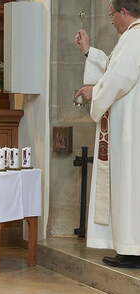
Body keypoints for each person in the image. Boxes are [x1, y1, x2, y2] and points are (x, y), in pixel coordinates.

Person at [74, 0, 140, 268]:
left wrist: (94, 93)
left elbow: (119, 79)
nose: (110, 20)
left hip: (130, 130)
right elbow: (114, 68)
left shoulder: (134, 38)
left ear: (124, 12)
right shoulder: (131, 38)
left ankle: (132, 249)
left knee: (129, 184)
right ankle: (130, 246)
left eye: (112, 14)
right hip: (128, 126)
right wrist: (89, 52)